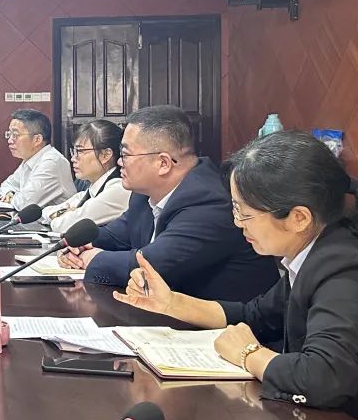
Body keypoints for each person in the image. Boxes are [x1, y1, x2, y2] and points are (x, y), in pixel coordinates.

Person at [114, 131, 358, 420]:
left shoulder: (343, 269)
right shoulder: (311, 255)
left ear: (299, 218)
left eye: (245, 213)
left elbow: (326, 377)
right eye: (235, 209)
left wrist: (249, 354)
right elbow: (255, 316)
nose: (237, 223)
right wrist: (171, 303)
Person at [60, 105, 277, 301]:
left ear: (163, 163)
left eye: (125, 154)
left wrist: (91, 258)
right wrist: (77, 246)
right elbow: (114, 236)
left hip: (229, 326)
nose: (119, 162)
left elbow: (151, 267)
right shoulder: (143, 194)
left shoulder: (209, 202)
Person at [42, 120, 130, 233]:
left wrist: (62, 215)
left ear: (105, 155)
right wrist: (62, 214)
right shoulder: (91, 190)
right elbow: (45, 212)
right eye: (73, 151)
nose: (73, 158)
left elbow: (64, 226)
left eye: (80, 151)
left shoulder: (118, 189)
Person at [0, 109, 74, 209]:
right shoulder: (30, 159)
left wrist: (12, 197)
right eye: (9, 134)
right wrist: (10, 193)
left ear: (37, 139)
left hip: (56, 219)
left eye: (15, 135)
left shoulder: (51, 162)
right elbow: (6, 185)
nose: (10, 140)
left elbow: (24, 204)